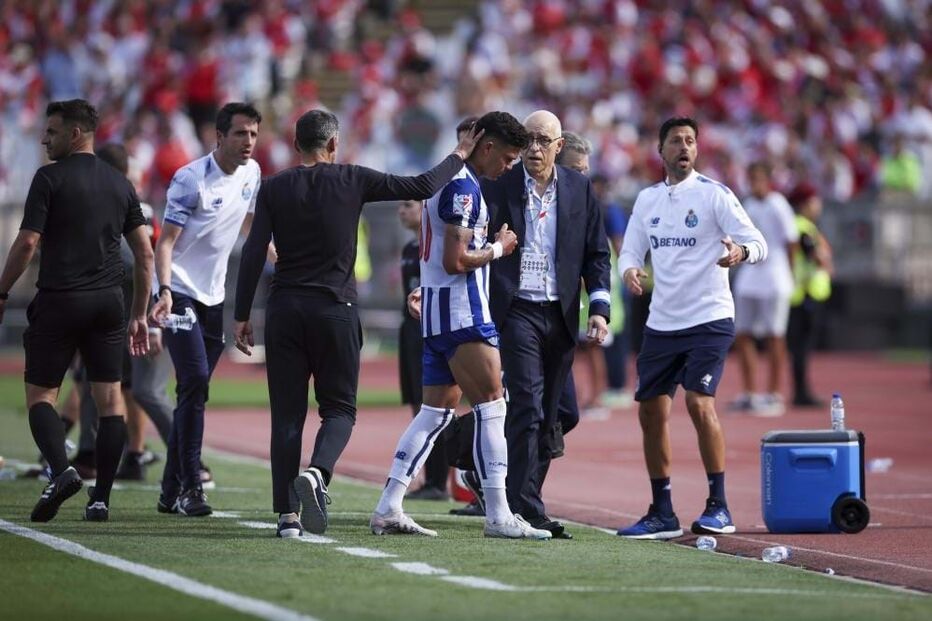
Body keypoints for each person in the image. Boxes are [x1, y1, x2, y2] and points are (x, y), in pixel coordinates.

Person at [232, 109, 485, 539]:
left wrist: (241, 314)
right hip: (335, 309)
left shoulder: (273, 186)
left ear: (297, 146)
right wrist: (460, 152)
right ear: (333, 144)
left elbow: (256, 249)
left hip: (285, 310)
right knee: (341, 410)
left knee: (287, 415)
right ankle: (317, 474)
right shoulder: (353, 178)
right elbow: (422, 185)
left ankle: (286, 517)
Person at [369, 111, 552, 540]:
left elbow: (437, 258)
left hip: (436, 313)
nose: (508, 166)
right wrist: (499, 248)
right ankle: (499, 513)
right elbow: (456, 260)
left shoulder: (442, 183)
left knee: (435, 413)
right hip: (463, 314)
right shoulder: (464, 190)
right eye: (506, 157)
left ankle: (389, 504)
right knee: (493, 404)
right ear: (486, 148)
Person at [0, 99, 153, 522]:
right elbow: (144, 253)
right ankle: (100, 499)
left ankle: (63, 471)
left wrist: (2, 292)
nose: (44, 138)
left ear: (75, 134)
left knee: (41, 397)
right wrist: (139, 311)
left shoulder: (48, 179)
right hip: (108, 304)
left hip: (60, 298)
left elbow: (28, 242)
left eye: (51, 131)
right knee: (110, 402)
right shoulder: (121, 184)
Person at [617, 117, 767, 539]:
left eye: (690, 141)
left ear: (696, 150)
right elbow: (630, 250)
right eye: (676, 141)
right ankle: (661, 512)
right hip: (662, 323)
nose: (684, 147)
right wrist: (630, 271)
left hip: (709, 318)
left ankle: (719, 506)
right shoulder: (647, 200)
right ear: (660, 151)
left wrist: (740, 251)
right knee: (650, 412)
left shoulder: (715, 195)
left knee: (700, 403)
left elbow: (758, 242)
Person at [479, 111, 612, 540]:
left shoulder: (578, 188)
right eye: (529, 140)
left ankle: (515, 494)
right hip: (517, 308)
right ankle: (525, 507)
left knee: (554, 415)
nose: (534, 149)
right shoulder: (499, 185)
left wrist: (600, 306)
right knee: (529, 406)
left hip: (561, 311)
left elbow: (596, 252)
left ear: (559, 147)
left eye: (543, 141)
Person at [149, 102, 263, 517]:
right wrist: (162, 290)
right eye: (240, 134)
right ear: (219, 136)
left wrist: (275, 253)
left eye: (253, 134)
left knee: (193, 391)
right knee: (194, 378)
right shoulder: (190, 179)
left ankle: (168, 488)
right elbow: (165, 242)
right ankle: (191, 487)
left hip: (214, 296)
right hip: (178, 291)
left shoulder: (253, 174)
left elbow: (249, 227)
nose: (248, 142)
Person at [729, 162, 799, 416]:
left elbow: (791, 242)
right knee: (742, 334)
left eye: (758, 178)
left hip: (775, 276)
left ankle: (774, 393)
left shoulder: (778, 204)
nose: (754, 184)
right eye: (751, 178)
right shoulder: (748, 205)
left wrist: (791, 275)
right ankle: (749, 393)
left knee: (775, 336)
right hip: (750, 276)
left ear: (769, 180)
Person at [395, 198, 449, 500]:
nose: (402, 211)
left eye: (409, 205)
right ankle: (430, 479)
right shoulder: (408, 250)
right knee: (417, 404)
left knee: (434, 406)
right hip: (409, 331)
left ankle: (440, 481)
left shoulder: (436, 246)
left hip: (430, 331)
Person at [786, 183, 833, 408]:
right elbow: (816, 257)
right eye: (815, 201)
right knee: (801, 349)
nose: (818, 205)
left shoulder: (802, 226)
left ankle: (802, 391)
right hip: (805, 294)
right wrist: (824, 258)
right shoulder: (802, 228)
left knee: (801, 348)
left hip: (804, 294)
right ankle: (801, 392)